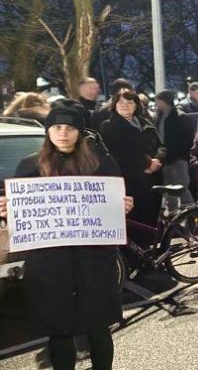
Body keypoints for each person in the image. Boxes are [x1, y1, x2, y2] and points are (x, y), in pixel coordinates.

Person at [0, 100, 134, 370]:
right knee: (59, 331)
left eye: (70, 128)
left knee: (98, 327)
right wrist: (7, 210)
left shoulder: (101, 163)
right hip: (49, 263)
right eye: (57, 127)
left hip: (93, 260)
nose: (63, 133)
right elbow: (22, 215)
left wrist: (123, 206)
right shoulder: (30, 166)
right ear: (48, 131)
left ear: (80, 132)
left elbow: (113, 205)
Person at [100, 90, 165, 238]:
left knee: (151, 222)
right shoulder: (108, 126)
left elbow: (160, 145)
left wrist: (158, 160)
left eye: (130, 102)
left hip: (152, 180)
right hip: (130, 182)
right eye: (121, 102)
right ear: (114, 105)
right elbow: (117, 153)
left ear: (136, 105)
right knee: (135, 225)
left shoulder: (145, 123)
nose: (125, 105)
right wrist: (147, 163)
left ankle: (151, 250)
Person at [155, 90, 193, 203]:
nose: (156, 103)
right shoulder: (159, 116)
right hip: (164, 158)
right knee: (168, 190)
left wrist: (183, 156)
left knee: (182, 188)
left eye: (158, 101)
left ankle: (190, 211)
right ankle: (172, 212)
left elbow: (187, 139)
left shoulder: (180, 116)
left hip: (178, 159)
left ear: (165, 101)